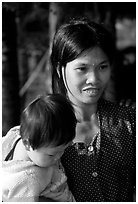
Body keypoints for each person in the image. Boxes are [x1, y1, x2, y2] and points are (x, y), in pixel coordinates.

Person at [50, 18, 136, 202]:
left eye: (102, 67)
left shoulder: (130, 123)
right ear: (60, 69)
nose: (94, 79)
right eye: (82, 68)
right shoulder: (44, 126)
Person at [2, 94, 77, 202]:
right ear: (27, 144)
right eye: (52, 154)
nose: (59, 156)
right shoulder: (28, 180)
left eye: (63, 149)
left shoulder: (17, 135)